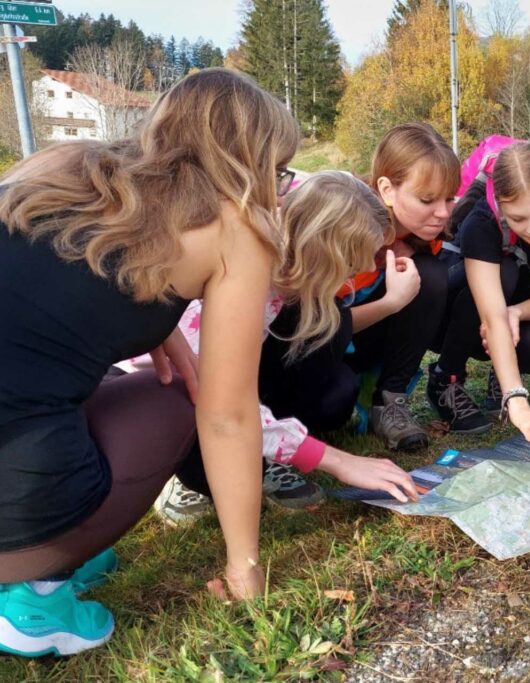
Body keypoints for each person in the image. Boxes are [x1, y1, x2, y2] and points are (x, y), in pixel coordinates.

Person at [0, 70, 413, 658]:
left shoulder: (65, 168)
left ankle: (51, 555)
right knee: (171, 400)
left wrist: (159, 324)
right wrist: (245, 567)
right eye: (278, 170)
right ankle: (34, 596)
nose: (279, 189)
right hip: (14, 495)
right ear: (247, 162)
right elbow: (226, 416)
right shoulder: (235, 227)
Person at [138, 172, 419, 525]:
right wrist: (337, 461)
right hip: (158, 392)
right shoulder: (248, 283)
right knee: (224, 472)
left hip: (201, 386)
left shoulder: (277, 280)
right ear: (323, 249)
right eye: (354, 261)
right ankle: (176, 470)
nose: (364, 269)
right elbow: (224, 403)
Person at [259, 123, 458, 452]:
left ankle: (389, 401)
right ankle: (276, 423)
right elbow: (311, 322)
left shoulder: (425, 232)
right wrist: (392, 302)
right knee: (335, 397)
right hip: (304, 344)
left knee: (433, 276)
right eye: (427, 199)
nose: (442, 212)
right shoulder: (338, 221)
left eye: (449, 198)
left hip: (342, 335)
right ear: (387, 188)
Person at [429, 142, 530, 447]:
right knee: (504, 271)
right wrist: (517, 400)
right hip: (454, 318)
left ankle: (504, 372)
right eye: (518, 219)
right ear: (500, 206)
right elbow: (492, 318)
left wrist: (516, 313)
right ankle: (445, 377)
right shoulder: (481, 224)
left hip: (508, 313)